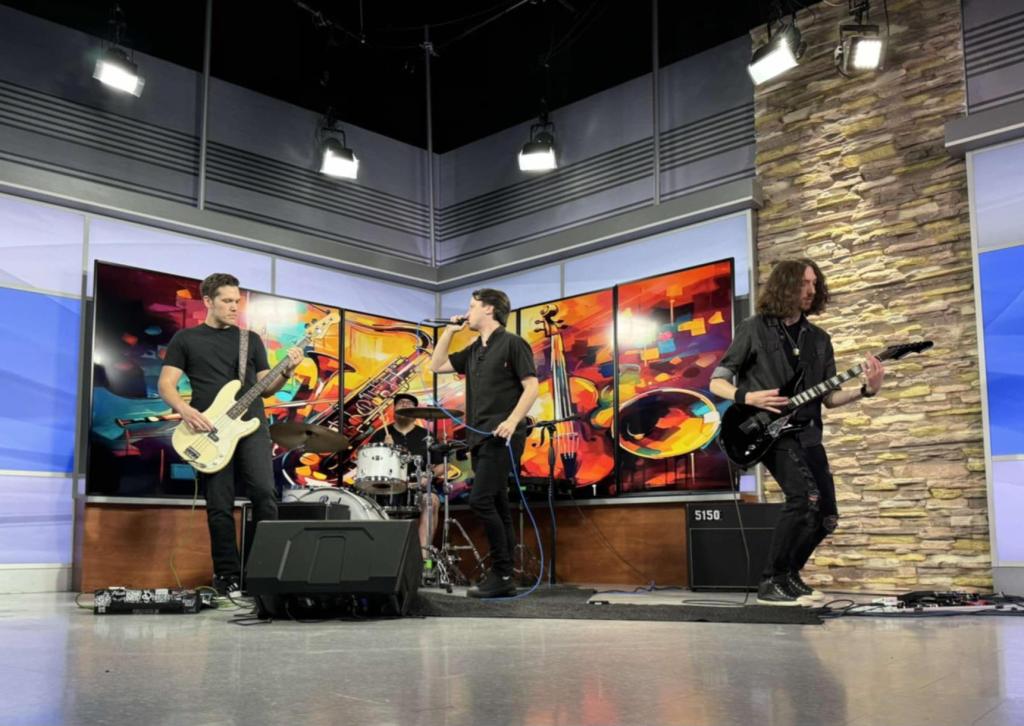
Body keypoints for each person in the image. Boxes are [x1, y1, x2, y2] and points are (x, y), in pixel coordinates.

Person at [709, 259, 885, 606]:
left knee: (827, 517)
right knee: (804, 498)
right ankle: (770, 582)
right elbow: (717, 382)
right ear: (785, 285)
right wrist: (748, 397)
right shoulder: (753, 329)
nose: (812, 290)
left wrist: (866, 390)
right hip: (768, 430)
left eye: (815, 284)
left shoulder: (819, 340)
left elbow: (829, 398)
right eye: (805, 283)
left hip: (808, 432)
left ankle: (789, 576)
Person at [158, 273, 302, 596]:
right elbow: (166, 384)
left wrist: (287, 371)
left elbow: (267, 388)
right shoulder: (186, 339)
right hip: (209, 430)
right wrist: (184, 410)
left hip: (251, 426)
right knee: (219, 505)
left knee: (265, 495)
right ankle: (227, 576)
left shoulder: (250, 340)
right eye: (227, 301)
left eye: (237, 301)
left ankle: (264, 571)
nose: (234, 307)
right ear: (208, 301)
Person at [431, 289, 539, 598]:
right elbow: (437, 365)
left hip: (502, 436)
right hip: (479, 438)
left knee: (480, 500)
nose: (467, 313)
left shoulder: (513, 343)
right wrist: (449, 333)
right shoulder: (475, 349)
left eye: (472, 306)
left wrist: (513, 421)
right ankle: (505, 576)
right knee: (497, 503)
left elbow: (531, 386)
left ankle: (502, 572)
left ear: (489, 309)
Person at [366, 393, 446, 560]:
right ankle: (379, 558)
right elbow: (369, 466)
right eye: (400, 402)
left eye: (409, 403)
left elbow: (442, 465)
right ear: (394, 410)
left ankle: (423, 558)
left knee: (431, 501)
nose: (404, 404)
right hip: (387, 489)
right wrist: (385, 450)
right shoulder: (381, 435)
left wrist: (429, 476)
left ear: (415, 412)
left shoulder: (426, 435)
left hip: (418, 488)